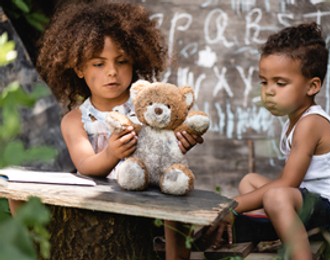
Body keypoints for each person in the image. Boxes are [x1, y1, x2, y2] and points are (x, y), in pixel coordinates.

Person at [27, 1, 203, 260]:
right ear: (79, 68)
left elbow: (168, 145)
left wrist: (178, 143)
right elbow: (86, 164)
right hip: (99, 204)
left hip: (149, 194)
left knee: (177, 196)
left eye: (121, 61)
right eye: (98, 64)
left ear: (135, 62)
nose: (112, 72)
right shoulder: (76, 120)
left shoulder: (148, 108)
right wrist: (111, 152)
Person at [201, 22, 330, 260]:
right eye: (264, 82)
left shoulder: (310, 123)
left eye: (280, 83)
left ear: (312, 86)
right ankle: (256, 228)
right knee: (250, 181)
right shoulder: (293, 122)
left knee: (275, 196)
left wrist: (232, 205)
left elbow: (289, 182)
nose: (269, 91)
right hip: (308, 203)